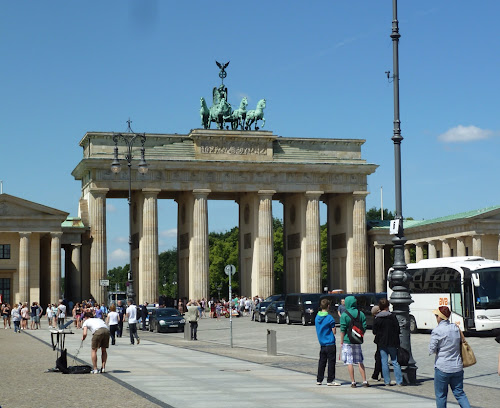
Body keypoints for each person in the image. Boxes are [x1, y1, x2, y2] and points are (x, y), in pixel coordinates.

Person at [429, 306, 471, 408]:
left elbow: (432, 349)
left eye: (436, 315)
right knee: (460, 393)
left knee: (441, 395)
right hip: (457, 366)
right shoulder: (456, 328)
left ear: (440, 317)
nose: (436, 317)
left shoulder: (437, 331)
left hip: (442, 367)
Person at [340, 295, 369, 388]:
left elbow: (342, 329)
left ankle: (353, 382)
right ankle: (364, 380)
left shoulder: (344, 315)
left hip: (347, 341)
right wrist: (359, 334)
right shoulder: (361, 314)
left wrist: (341, 341)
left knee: (349, 361)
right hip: (357, 340)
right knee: (360, 361)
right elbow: (364, 326)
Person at [372, 298, 403, 386]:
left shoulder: (377, 318)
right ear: (388, 306)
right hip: (392, 341)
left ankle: (387, 381)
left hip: (382, 342)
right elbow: (397, 329)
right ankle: (399, 381)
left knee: (384, 361)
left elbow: (374, 331)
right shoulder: (392, 317)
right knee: (395, 361)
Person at [315, 298, 341, 386]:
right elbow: (334, 331)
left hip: (322, 343)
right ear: (328, 306)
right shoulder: (329, 317)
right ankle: (330, 380)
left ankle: (319, 379)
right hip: (330, 342)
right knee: (331, 362)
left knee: (322, 362)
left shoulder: (317, 317)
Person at [370, 305, 382, 381]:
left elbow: (374, 331)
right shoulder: (390, 315)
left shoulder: (377, 319)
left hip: (380, 340)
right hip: (390, 340)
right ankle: (383, 375)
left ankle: (376, 375)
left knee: (379, 357)